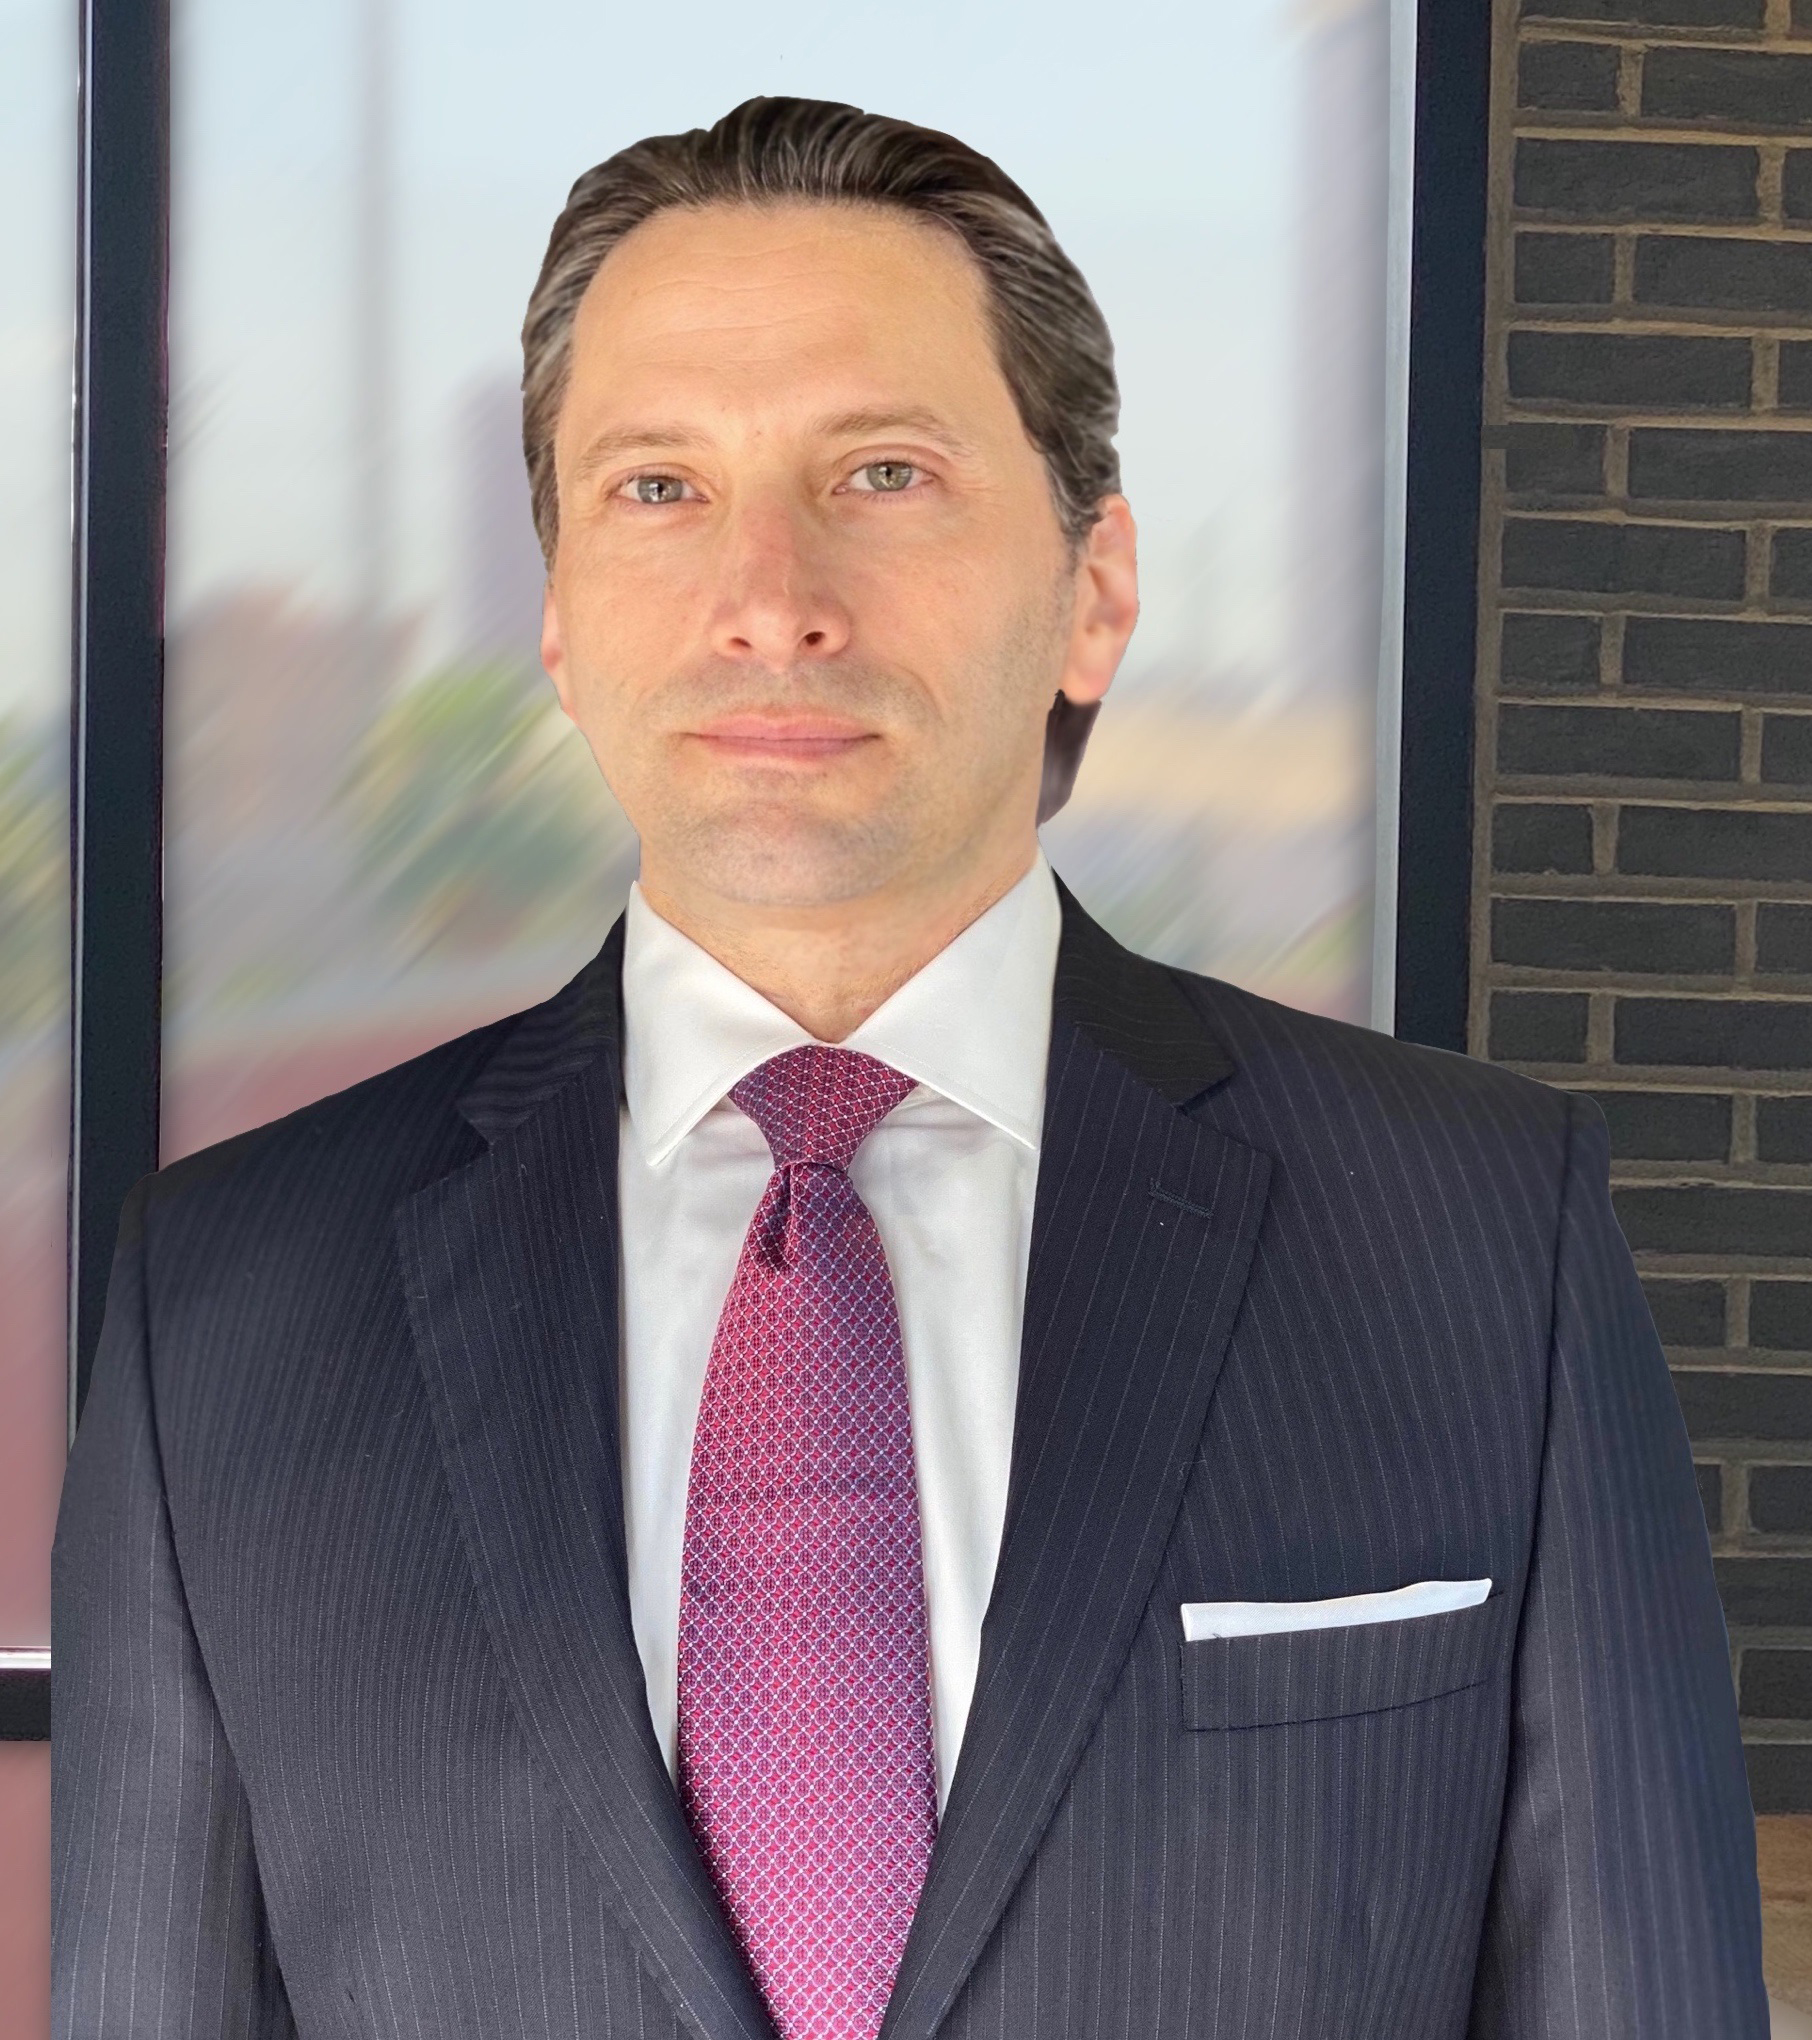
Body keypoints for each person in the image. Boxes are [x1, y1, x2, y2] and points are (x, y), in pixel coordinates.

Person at [53, 96, 1767, 2040]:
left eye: (883, 472)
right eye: (658, 486)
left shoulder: (1479, 1237)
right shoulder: (230, 1311)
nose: (769, 596)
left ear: (1093, 588)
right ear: (558, 620)